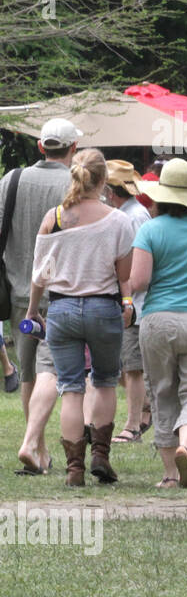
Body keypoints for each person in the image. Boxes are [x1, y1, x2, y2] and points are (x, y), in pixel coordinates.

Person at [23, 149, 136, 486]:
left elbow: (39, 274)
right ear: (104, 181)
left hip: (61, 309)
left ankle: (75, 471)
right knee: (103, 380)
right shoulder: (118, 220)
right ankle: (100, 455)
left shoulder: (54, 218)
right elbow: (124, 274)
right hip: (103, 308)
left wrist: (32, 311)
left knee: (71, 388)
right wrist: (127, 303)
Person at [127, 159, 187, 488]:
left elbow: (138, 281)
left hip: (158, 321)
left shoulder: (150, 230)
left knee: (163, 392)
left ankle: (170, 474)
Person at [4, 118, 76, 475]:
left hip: (19, 292)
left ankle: (40, 449)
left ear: (40, 147)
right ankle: (38, 445)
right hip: (66, 293)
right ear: (73, 149)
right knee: (65, 376)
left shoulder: (12, 180)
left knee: (29, 374)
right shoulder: (76, 184)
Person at [104, 160, 155, 444]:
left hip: (135, 305)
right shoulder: (134, 213)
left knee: (133, 369)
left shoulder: (132, 217)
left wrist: (126, 301)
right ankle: (145, 412)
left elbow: (136, 269)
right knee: (130, 367)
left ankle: (133, 425)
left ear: (112, 192)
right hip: (135, 304)